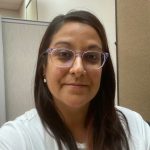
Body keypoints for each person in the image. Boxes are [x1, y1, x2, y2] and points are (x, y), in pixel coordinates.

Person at [0, 10, 149, 150]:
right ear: (44, 67)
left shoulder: (134, 125)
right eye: (64, 54)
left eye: (91, 57)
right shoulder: (16, 138)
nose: (78, 69)